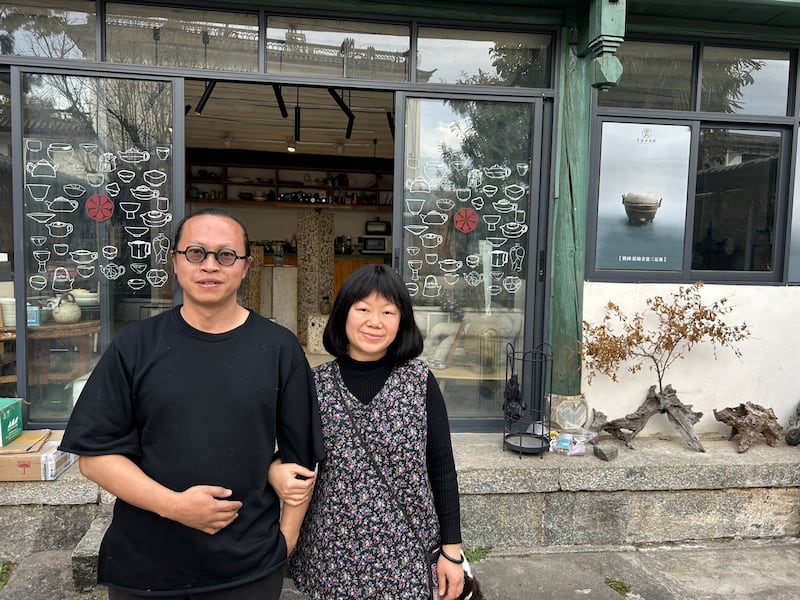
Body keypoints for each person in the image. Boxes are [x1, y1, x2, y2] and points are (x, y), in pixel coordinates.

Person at [60, 207, 324, 599]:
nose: (210, 266)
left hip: (247, 566)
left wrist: (285, 543)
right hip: (146, 565)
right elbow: (95, 457)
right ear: (176, 261)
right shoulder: (135, 346)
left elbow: (300, 457)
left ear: (246, 267)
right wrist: (174, 506)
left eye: (226, 255)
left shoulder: (278, 348)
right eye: (196, 253)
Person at [270, 264, 465, 599]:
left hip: (405, 554)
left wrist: (452, 551)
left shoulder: (419, 381)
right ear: (344, 314)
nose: (375, 322)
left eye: (388, 312)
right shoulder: (315, 384)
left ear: (401, 320)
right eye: (363, 309)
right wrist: (274, 471)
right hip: (330, 557)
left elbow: (442, 469)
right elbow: (290, 456)